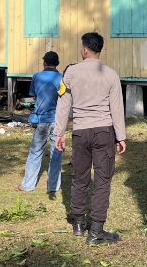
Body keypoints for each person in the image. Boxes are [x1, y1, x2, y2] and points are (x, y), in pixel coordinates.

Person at [54, 32, 126, 245]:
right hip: (104, 131)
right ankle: (96, 231)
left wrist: (59, 132)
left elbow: (63, 104)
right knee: (103, 180)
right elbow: (117, 108)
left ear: (84, 50)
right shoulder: (110, 74)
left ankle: (78, 225)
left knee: (79, 178)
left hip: (80, 132)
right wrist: (121, 136)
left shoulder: (70, 73)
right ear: (99, 50)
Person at [17, 51, 64, 193]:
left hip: (42, 120)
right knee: (57, 153)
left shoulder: (37, 76)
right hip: (58, 121)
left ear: (44, 63)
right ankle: (53, 186)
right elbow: (64, 98)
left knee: (35, 152)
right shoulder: (62, 78)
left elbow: (35, 95)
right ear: (57, 63)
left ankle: (28, 185)